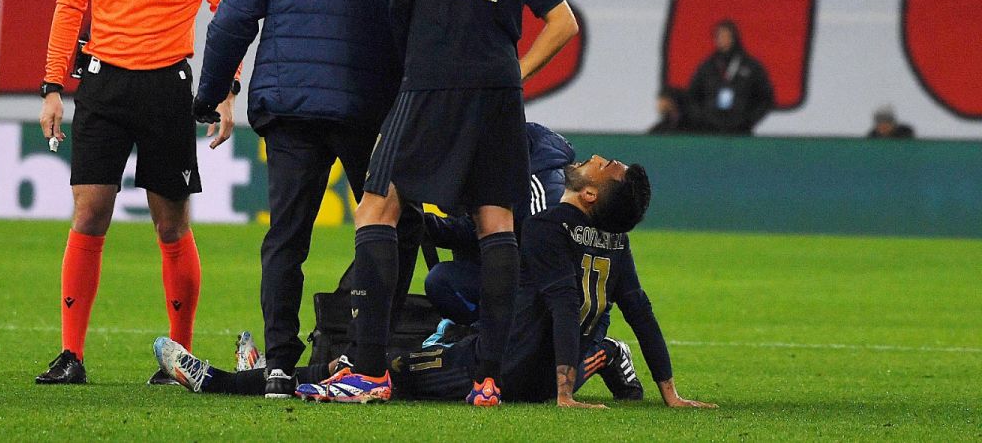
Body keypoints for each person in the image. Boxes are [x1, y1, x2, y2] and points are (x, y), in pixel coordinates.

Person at [307, 0, 580, 407]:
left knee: (376, 207)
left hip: (435, 75)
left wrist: (404, 68)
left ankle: (370, 370)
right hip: (499, 87)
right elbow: (563, 22)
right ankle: (488, 379)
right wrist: (516, 72)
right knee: (497, 223)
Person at [155, 155, 715, 410]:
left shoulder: (549, 229)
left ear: (590, 195)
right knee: (415, 334)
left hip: (498, 370)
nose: (595, 159)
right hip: (531, 370)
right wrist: (669, 391)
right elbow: (638, 309)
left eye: (604, 167)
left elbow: (565, 306)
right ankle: (265, 372)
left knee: (371, 371)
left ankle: (227, 383)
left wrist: (565, 395)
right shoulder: (617, 242)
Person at [192, 0, 408, 399]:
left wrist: (212, 91)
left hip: (291, 108)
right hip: (369, 111)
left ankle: (281, 366)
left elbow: (232, 17)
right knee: (390, 229)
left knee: (287, 238)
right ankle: (367, 355)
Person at [34, 0, 237, 385]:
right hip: (101, 86)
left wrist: (226, 87)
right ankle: (71, 355)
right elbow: (68, 10)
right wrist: (53, 87)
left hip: (167, 89)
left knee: (171, 226)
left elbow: (231, 13)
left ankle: (181, 358)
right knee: (89, 212)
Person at [422, 122, 575, 326]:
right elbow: (474, 230)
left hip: (536, 286)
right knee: (442, 281)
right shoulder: (493, 167)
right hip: (510, 276)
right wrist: (422, 224)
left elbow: (548, 260)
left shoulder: (542, 187)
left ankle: (499, 340)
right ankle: (482, 339)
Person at [686, 19, 775, 135]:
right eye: (719, 36)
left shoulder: (751, 65)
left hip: (741, 129)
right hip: (709, 129)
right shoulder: (707, 66)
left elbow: (766, 97)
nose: (722, 39)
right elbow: (692, 95)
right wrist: (702, 118)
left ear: (734, 37)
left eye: (725, 35)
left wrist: (749, 120)